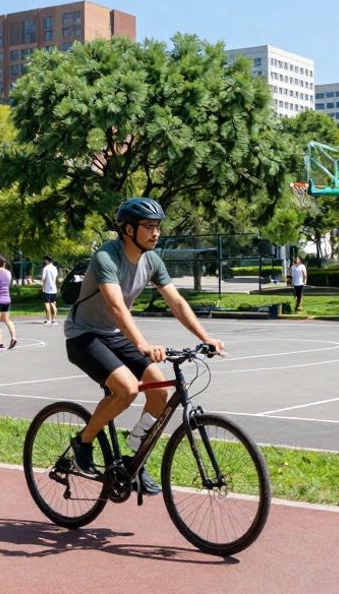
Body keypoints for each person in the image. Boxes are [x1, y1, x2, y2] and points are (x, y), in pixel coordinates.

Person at [64, 197, 225, 496]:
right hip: (84, 335)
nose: (156, 233)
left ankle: (134, 454)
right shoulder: (106, 258)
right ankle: (83, 442)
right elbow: (116, 307)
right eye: (149, 227)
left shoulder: (152, 261)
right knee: (126, 389)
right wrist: (142, 344)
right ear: (128, 229)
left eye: (158, 228)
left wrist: (205, 338)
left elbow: (176, 301)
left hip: (114, 335)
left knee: (159, 390)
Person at [40, 255, 60, 325]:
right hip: (54, 289)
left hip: (47, 289)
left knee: (47, 304)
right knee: (53, 303)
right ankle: (53, 319)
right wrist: (57, 287)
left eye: (44, 260)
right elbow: (57, 279)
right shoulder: (55, 268)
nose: (44, 261)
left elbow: (43, 279)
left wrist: (42, 287)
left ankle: (48, 319)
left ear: (47, 260)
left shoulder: (46, 268)